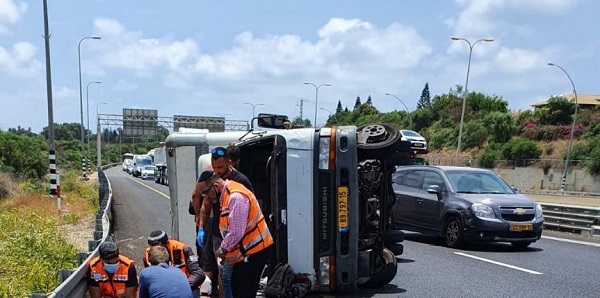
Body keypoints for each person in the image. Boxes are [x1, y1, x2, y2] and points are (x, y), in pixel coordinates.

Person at [198, 170, 273, 298]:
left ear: (215, 187)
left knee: (243, 291)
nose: (207, 198)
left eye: (206, 193)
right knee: (236, 286)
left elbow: (236, 232)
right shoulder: (225, 195)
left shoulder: (235, 197)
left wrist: (222, 249)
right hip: (246, 252)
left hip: (254, 251)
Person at [195, 147, 255, 297]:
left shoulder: (240, 182)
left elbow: (243, 221)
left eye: (220, 167)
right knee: (223, 275)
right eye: (214, 167)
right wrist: (201, 228)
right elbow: (205, 206)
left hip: (238, 237)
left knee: (232, 276)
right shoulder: (212, 179)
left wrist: (226, 247)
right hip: (219, 234)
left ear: (229, 162)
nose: (217, 171)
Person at [143, 230, 206, 296]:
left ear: (161, 244)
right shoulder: (148, 254)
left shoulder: (183, 249)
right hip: (162, 290)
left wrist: (180, 286)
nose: (152, 250)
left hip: (186, 287)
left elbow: (199, 274)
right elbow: (148, 279)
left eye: (154, 247)